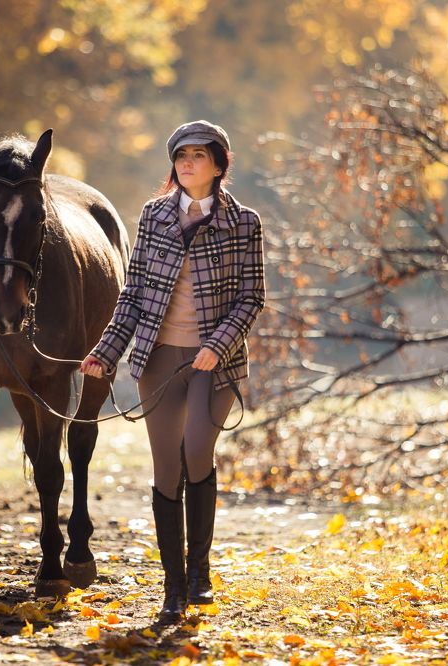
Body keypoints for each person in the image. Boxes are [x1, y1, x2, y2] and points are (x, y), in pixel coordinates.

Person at [80, 120, 265, 622]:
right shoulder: (154, 216)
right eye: (181, 156)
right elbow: (134, 295)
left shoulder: (244, 223)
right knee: (166, 467)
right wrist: (106, 352)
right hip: (158, 360)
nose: (187, 163)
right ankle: (174, 586)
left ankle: (200, 570)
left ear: (219, 164)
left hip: (215, 363)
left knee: (197, 451)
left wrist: (218, 345)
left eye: (198, 156)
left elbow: (253, 298)